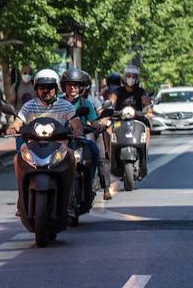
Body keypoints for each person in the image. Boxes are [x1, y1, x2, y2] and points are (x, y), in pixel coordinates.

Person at [62, 68, 113, 200]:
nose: (73, 88)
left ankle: (104, 187)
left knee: (99, 155)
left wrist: (99, 126)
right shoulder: (58, 102)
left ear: (81, 87)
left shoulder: (88, 103)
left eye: (76, 85)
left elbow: (94, 121)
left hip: (83, 139)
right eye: (69, 84)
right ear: (64, 86)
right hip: (62, 140)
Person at [6, 69, 82, 137]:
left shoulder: (66, 106)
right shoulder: (29, 106)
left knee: (76, 152)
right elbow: (18, 121)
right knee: (19, 152)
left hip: (60, 146)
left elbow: (76, 122)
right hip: (32, 146)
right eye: (42, 87)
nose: (45, 90)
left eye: (50, 87)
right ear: (36, 89)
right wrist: (12, 128)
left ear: (56, 88)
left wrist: (78, 130)